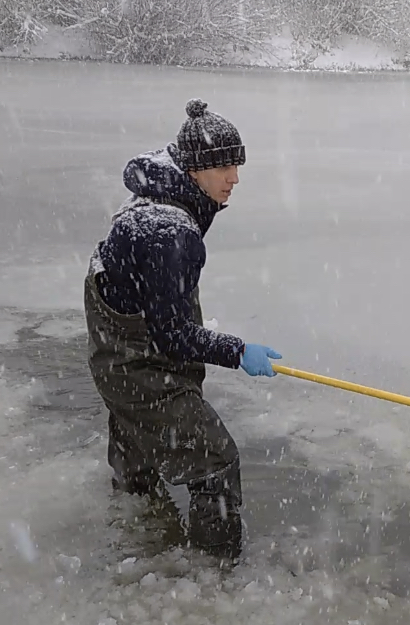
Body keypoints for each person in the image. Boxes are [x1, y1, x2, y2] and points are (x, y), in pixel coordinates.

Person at [84, 98, 282, 560]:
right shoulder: (168, 232)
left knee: (138, 453)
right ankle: (213, 571)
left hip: (120, 358)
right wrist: (238, 351)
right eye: (224, 166)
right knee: (216, 461)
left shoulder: (161, 194)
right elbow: (172, 335)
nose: (235, 177)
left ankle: (136, 531)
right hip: (136, 366)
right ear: (193, 169)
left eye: (237, 164)